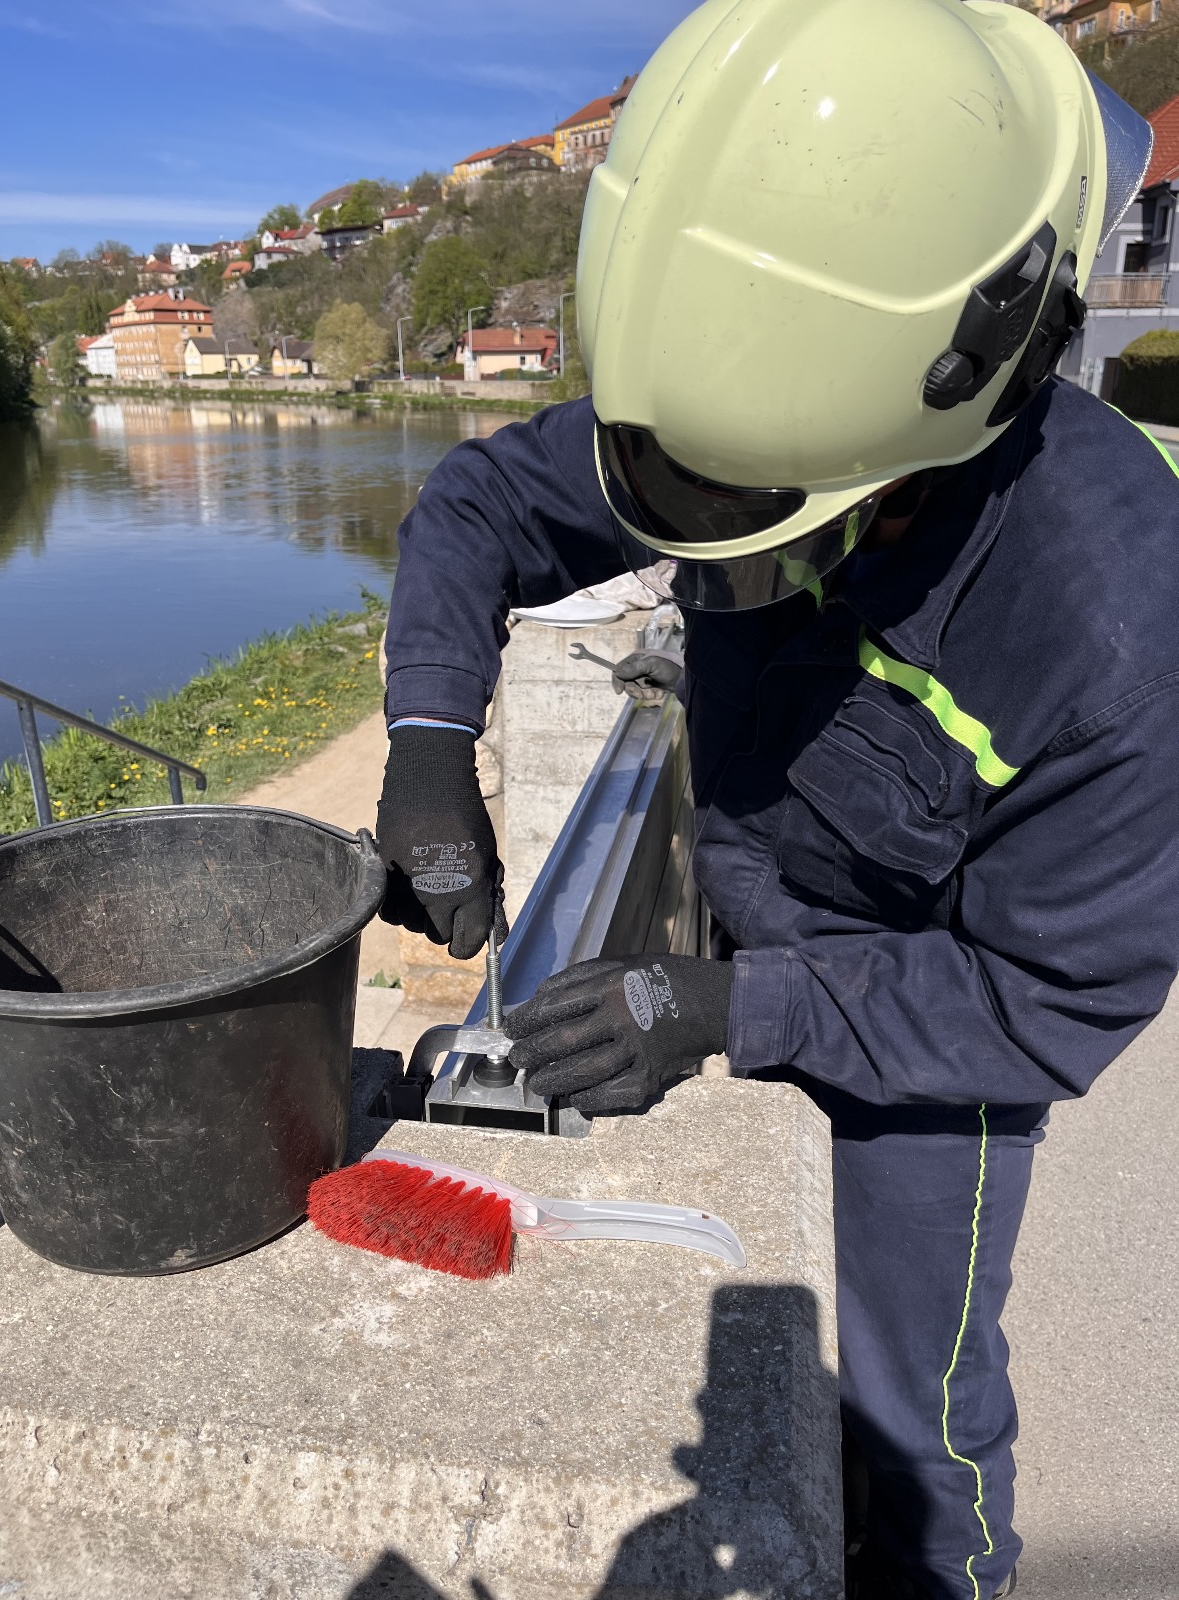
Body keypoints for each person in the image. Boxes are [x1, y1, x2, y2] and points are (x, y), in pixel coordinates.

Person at [374, 2, 1179, 1595]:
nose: (723, 585)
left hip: (932, 1043)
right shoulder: (738, 400)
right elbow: (481, 504)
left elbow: (1049, 997)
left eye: (785, 547)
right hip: (745, 932)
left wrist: (740, 1010)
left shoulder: (1115, 637)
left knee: (915, 1418)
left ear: (953, 416)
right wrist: (421, 739)